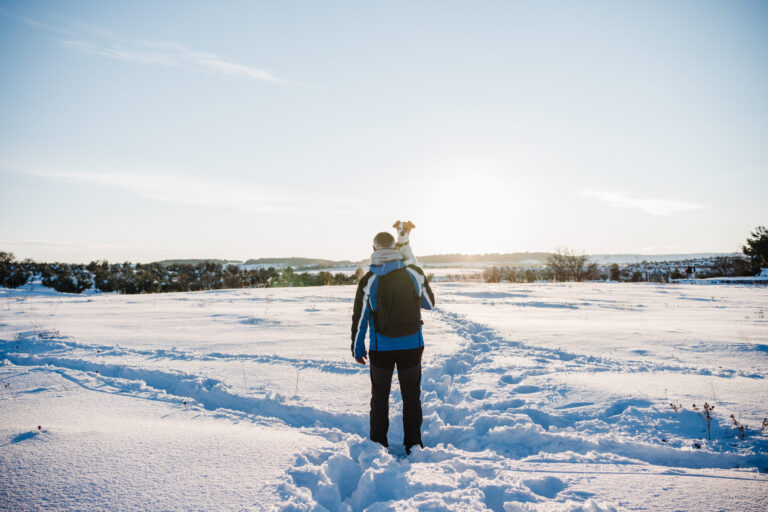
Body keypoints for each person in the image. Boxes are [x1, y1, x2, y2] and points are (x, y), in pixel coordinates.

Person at [351, 231, 435, 454]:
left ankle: (378, 445)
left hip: (381, 349)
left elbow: (361, 319)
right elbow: (429, 304)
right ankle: (414, 445)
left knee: (379, 397)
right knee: (411, 396)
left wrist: (357, 348)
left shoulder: (369, 280)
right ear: (396, 248)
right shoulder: (414, 273)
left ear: (374, 249)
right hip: (411, 346)